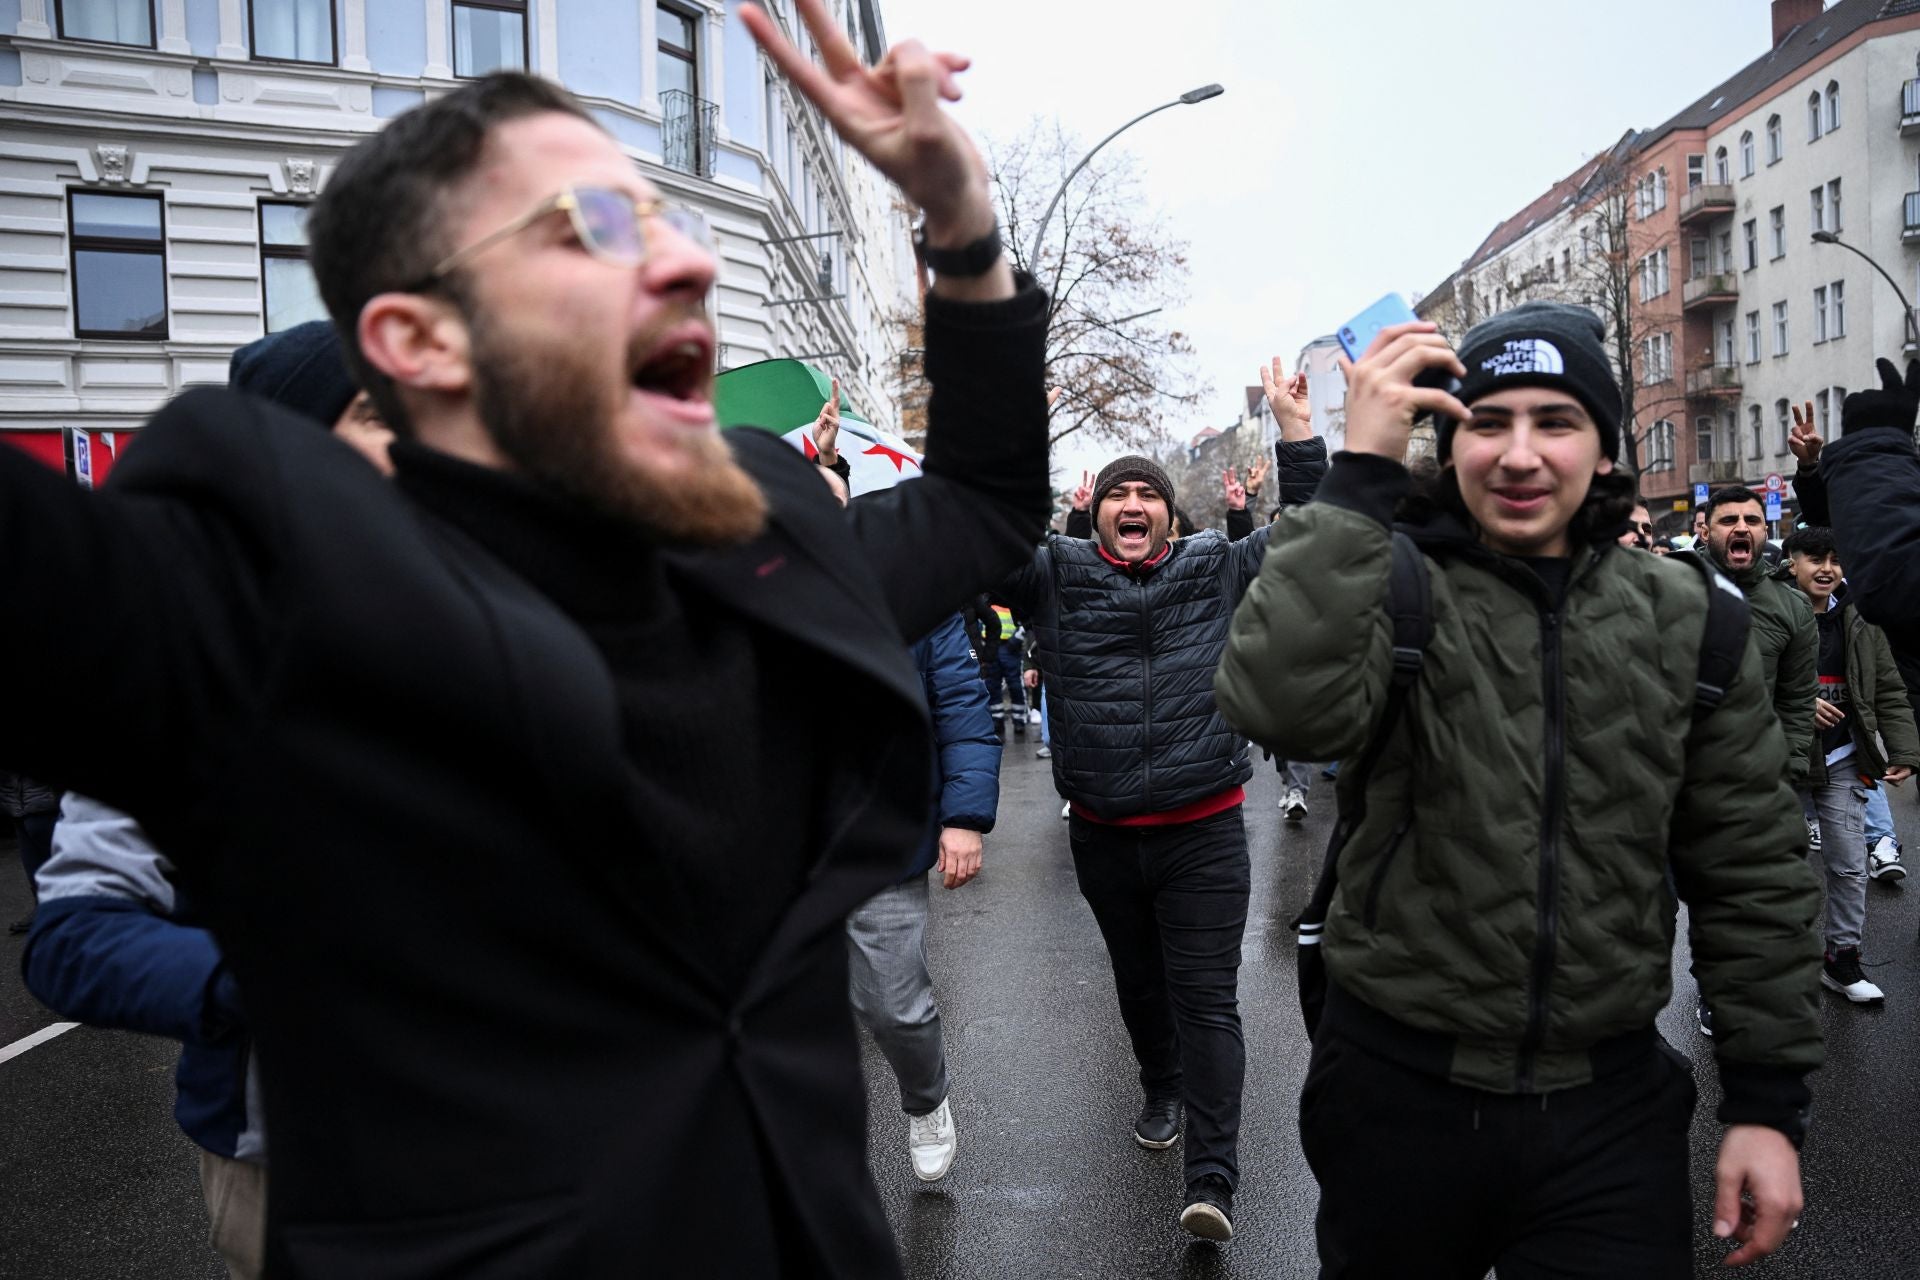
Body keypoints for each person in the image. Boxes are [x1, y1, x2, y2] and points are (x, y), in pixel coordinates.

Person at [0, 6, 1049, 1271]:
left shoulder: (769, 544)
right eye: (591, 228)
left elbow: (987, 499)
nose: (689, 264)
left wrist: (958, 219)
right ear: (417, 340)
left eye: (665, 222)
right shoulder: (273, 607)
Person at [1217, 301, 1822, 1277]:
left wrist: (1764, 1103)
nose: (1521, 453)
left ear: (1604, 446)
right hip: (1396, 1089)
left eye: (1557, 421)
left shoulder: (1697, 618)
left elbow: (1749, 867)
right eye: (1489, 422)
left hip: (1607, 1109)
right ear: (1449, 442)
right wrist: (1357, 476)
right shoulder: (1394, 579)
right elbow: (1277, 704)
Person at [20, 318, 392, 1280]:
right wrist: (265, 982)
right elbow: (72, 939)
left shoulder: (478, 631)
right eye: (373, 412)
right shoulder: (186, 664)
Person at [998, 384, 1322, 1245]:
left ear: (1169, 517)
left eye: (1146, 494)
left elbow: (1313, 540)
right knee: (1141, 987)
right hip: (1103, 835)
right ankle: (1159, 1082)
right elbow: (989, 538)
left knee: (1208, 999)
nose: (1132, 505)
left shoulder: (1214, 566)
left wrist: (1299, 437)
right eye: (1117, 494)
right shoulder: (1057, 577)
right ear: (1098, 513)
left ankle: (1212, 1178)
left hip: (1205, 831)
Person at [847, 610, 997, 1182]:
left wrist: (963, 818)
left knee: (891, 1003)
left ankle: (926, 1099)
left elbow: (961, 709)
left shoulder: (920, 590)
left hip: (880, 833)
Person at [1779, 525, 1920, 1002]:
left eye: (1836, 560)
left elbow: (1888, 687)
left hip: (1841, 759)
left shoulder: (1861, 618)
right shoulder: (1768, 611)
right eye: (1815, 558)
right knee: (1773, 869)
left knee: (1849, 865)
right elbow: (1742, 680)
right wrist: (1797, 702)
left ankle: (1842, 960)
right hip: (1781, 761)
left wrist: (1904, 750)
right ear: (1791, 563)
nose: (1827, 569)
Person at [1702, 485, 1816, 791]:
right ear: (1704, 533)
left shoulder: (1793, 606)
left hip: (1755, 776)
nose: (1741, 527)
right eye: (1728, 521)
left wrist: (1789, 769)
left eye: (1751, 521)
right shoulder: (1669, 586)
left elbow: (1798, 698)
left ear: (1764, 532)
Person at [2, 771, 59, 934]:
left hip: (45, 799)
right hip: (15, 802)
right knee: (32, 863)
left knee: (62, 861)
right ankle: (43, 906)